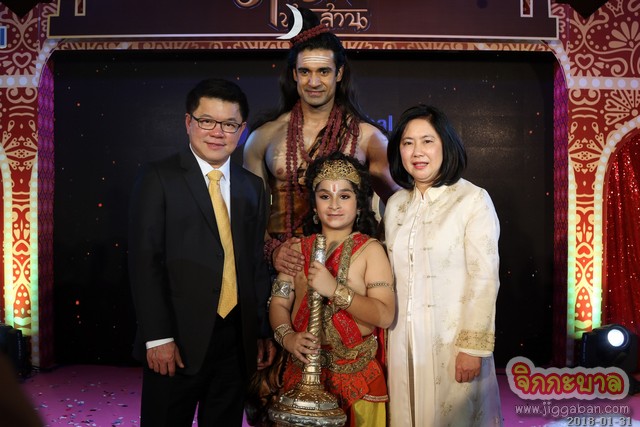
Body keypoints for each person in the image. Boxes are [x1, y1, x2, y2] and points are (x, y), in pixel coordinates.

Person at [128, 78, 275, 426]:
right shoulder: (159, 177)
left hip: (235, 343)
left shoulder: (252, 187)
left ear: (242, 130)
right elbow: (144, 263)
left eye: (229, 124)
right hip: (176, 340)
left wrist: (259, 330)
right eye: (207, 120)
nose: (217, 132)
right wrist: (158, 337)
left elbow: (254, 264)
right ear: (188, 122)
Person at [243, 7, 399, 277]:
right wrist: (273, 251)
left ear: (339, 73)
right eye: (305, 71)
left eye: (323, 71)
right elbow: (248, 213)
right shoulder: (263, 137)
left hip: (348, 272)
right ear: (294, 74)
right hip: (284, 271)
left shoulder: (367, 137)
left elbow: (400, 204)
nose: (313, 82)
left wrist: (372, 249)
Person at [384, 104, 503, 426]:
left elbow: (484, 278)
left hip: (452, 342)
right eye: (408, 143)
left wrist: (472, 348)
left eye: (427, 141)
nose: (417, 152)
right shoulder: (395, 205)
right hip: (403, 342)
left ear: (445, 145)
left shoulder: (472, 200)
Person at [268, 152, 395, 426]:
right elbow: (278, 303)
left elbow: (385, 315)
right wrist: (288, 337)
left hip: (358, 378)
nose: (334, 205)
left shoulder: (371, 251)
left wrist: (334, 289)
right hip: (301, 374)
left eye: (344, 196)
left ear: (359, 204)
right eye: (325, 196)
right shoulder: (296, 250)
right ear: (314, 204)